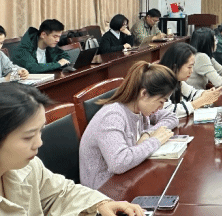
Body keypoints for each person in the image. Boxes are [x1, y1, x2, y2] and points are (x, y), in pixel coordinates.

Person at [0, 81, 144, 216]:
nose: (39, 143)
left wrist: (101, 204)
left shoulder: (30, 166)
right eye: (28, 137)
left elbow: (61, 193)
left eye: (40, 131)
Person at [79, 62, 179, 189]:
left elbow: (172, 118)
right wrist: (155, 140)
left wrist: (147, 134)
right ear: (144, 94)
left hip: (127, 177)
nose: (161, 107)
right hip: (103, 189)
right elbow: (119, 163)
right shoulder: (112, 116)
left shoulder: (140, 108)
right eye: (160, 101)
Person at [159, 42, 221, 118]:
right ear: (175, 66)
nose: (191, 71)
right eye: (189, 67)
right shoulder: (160, 82)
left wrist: (206, 93)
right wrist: (199, 102)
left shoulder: (177, 80)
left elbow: (192, 93)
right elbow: (168, 111)